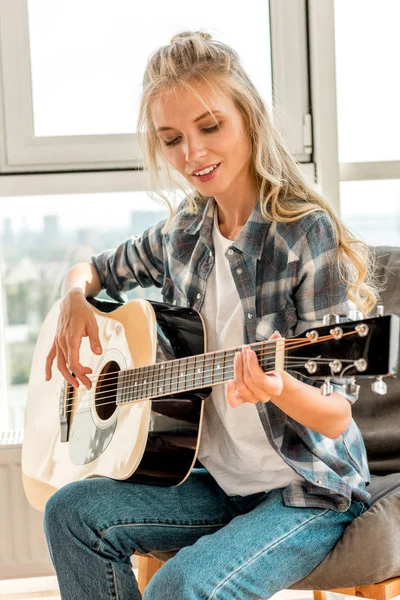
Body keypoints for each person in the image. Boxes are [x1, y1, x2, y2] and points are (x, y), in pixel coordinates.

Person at [43, 30, 380, 600]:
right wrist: (74, 300)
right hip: (217, 482)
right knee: (70, 513)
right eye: (171, 139)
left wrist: (277, 389)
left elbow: (334, 418)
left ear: (247, 118)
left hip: (307, 490)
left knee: (181, 586)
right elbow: (93, 270)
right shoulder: (182, 234)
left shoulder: (304, 234)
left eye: (210, 127)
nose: (191, 155)